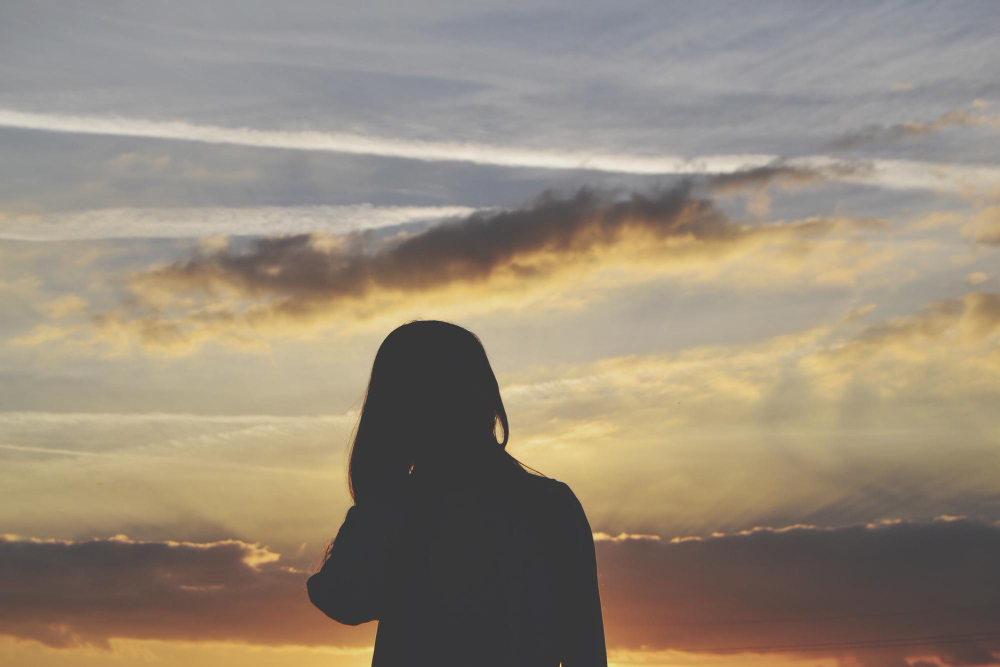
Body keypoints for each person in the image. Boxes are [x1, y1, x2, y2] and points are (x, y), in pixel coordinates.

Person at [307, 320, 607, 666]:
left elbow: (340, 596)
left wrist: (381, 500)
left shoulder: (401, 510)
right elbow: (586, 651)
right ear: (487, 403)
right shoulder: (551, 506)